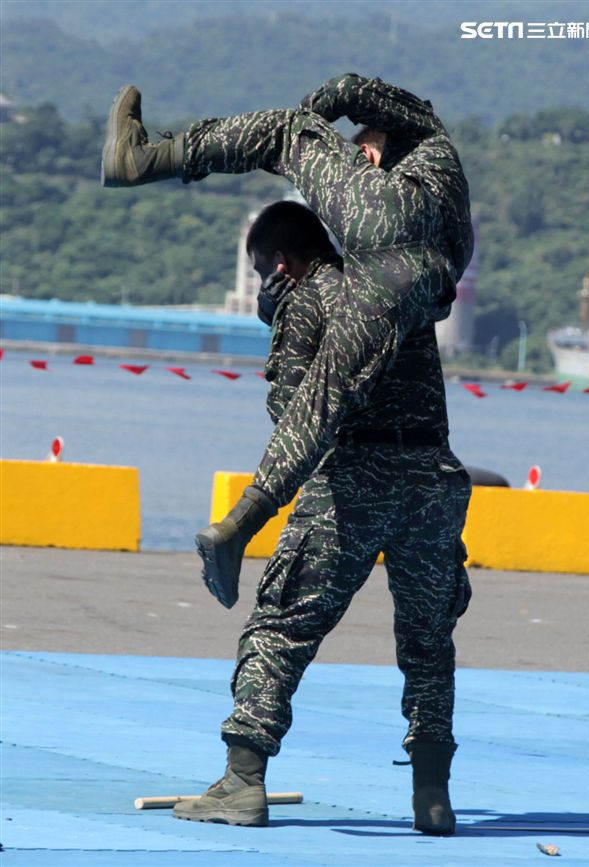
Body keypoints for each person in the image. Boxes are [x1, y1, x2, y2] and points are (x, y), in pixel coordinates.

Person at [102, 74, 473, 616]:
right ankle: (239, 525)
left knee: (282, 133)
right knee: (328, 393)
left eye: (363, 153)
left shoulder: (419, 135)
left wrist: (308, 130)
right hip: (432, 277)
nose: (359, 163)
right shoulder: (450, 206)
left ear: (379, 143)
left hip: (393, 229)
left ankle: (142, 159)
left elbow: (348, 87)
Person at [169, 199, 472, 834]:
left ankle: (242, 783)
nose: (265, 285)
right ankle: (432, 795)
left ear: (282, 263)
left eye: (263, 274)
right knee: (428, 643)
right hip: (433, 482)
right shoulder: (394, 293)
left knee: (281, 629)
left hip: (353, 481)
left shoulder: (309, 298)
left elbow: (294, 411)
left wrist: (278, 324)